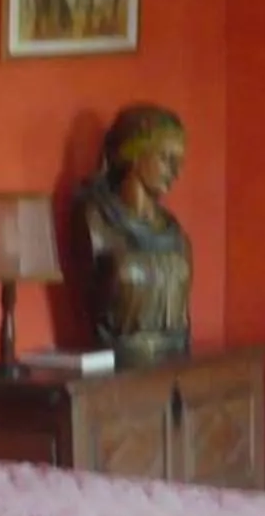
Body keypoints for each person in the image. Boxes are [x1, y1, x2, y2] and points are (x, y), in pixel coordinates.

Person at [76, 103, 190, 364]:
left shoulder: (174, 232)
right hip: (117, 368)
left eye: (179, 161)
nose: (176, 172)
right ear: (135, 156)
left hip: (174, 365)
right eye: (165, 158)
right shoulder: (96, 220)